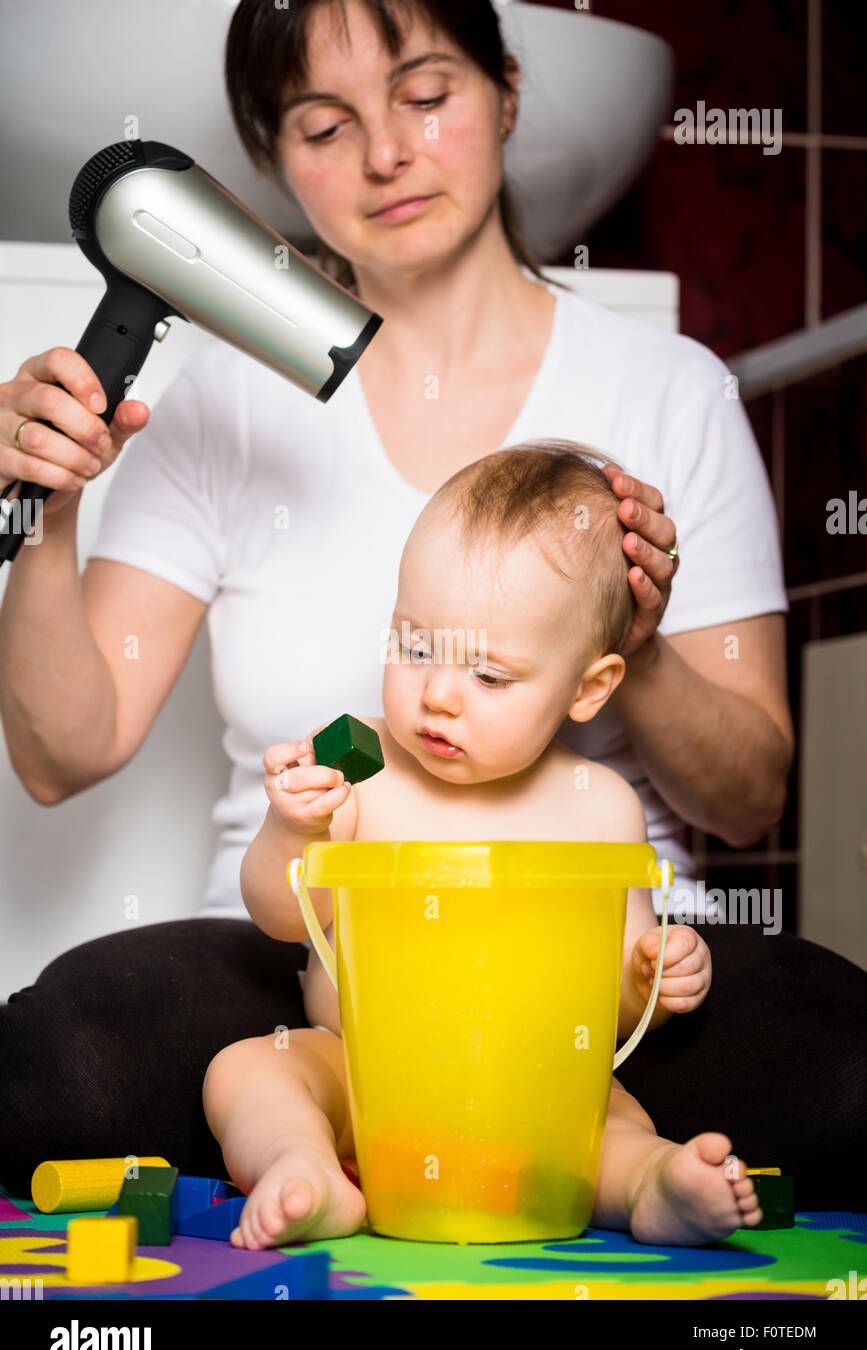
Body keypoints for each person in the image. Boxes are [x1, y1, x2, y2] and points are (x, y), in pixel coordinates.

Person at [0, 0, 863, 1207]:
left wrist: (637, 639)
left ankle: (631, 1167)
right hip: (320, 968)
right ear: (273, 157)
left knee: (848, 1076)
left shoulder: (671, 390)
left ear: (505, 91)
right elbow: (60, 754)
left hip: (590, 978)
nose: (385, 155)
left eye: (425, 95)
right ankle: (317, 1151)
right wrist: (44, 514)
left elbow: (749, 794)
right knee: (60, 1062)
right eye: (323, 122)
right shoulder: (221, 401)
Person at [204, 441, 764, 1250]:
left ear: (588, 688)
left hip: (531, 1086)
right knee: (248, 1071)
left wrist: (657, 971)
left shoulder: (596, 806)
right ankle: (305, 1167)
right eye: (416, 644)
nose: (437, 694)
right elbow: (282, 916)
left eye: (490, 677)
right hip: (360, 1071)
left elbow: (613, 998)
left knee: (606, 1115)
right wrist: (293, 825)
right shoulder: (354, 759)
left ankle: (650, 1184)